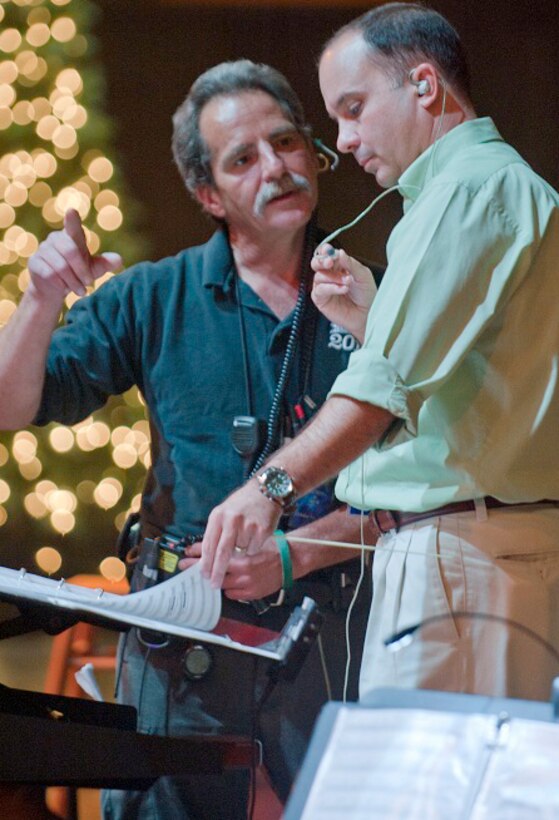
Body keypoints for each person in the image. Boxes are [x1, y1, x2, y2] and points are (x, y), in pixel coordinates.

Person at [0, 61, 373, 818]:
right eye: (243, 159)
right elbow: (12, 407)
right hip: (183, 652)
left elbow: (423, 490)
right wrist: (39, 298)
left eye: (286, 142)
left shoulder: (376, 294)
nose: (275, 167)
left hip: (334, 640)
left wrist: (294, 554)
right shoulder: (151, 296)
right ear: (209, 195)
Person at [200, 3, 559, 705]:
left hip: (456, 557)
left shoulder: (467, 188)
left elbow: (378, 392)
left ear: (424, 86)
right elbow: (489, 388)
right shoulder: (504, 186)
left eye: (355, 107)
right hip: (494, 547)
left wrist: (267, 489)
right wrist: (374, 318)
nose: (345, 138)